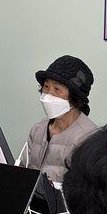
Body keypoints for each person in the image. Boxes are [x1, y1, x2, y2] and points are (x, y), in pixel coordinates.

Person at [24, 54, 97, 184]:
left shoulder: (89, 138)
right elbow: (23, 170)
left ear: (74, 97)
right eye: (46, 87)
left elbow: (88, 189)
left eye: (57, 89)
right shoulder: (37, 129)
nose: (48, 94)